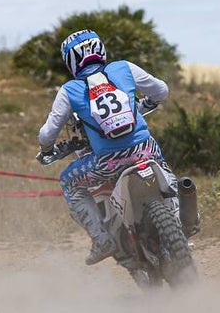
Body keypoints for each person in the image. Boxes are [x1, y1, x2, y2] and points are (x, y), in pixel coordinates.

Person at [37, 29, 178, 265]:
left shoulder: (69, 90)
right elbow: (161, 91)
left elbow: (48, 133)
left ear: (70, 61)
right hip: (145, 149)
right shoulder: (124, 67)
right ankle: (181, 219)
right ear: (100, 49)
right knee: (164, 168)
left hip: (108, 162)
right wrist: (146, 104)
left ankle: (101, 239)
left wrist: (46, 149)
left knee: (68, 181)